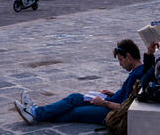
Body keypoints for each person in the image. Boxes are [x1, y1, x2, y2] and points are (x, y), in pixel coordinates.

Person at [14, 39, 144, 125]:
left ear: (129, 56)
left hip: (113, 112)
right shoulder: (137, 71)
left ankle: (35, 114)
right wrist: (112, 94)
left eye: (121, 60)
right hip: (110, 102)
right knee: (74, 98)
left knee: (74, 112)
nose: (120, 64)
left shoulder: (137, 75)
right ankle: (35, 111)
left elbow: (127, 107)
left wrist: (104, 102)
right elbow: (125, 96)